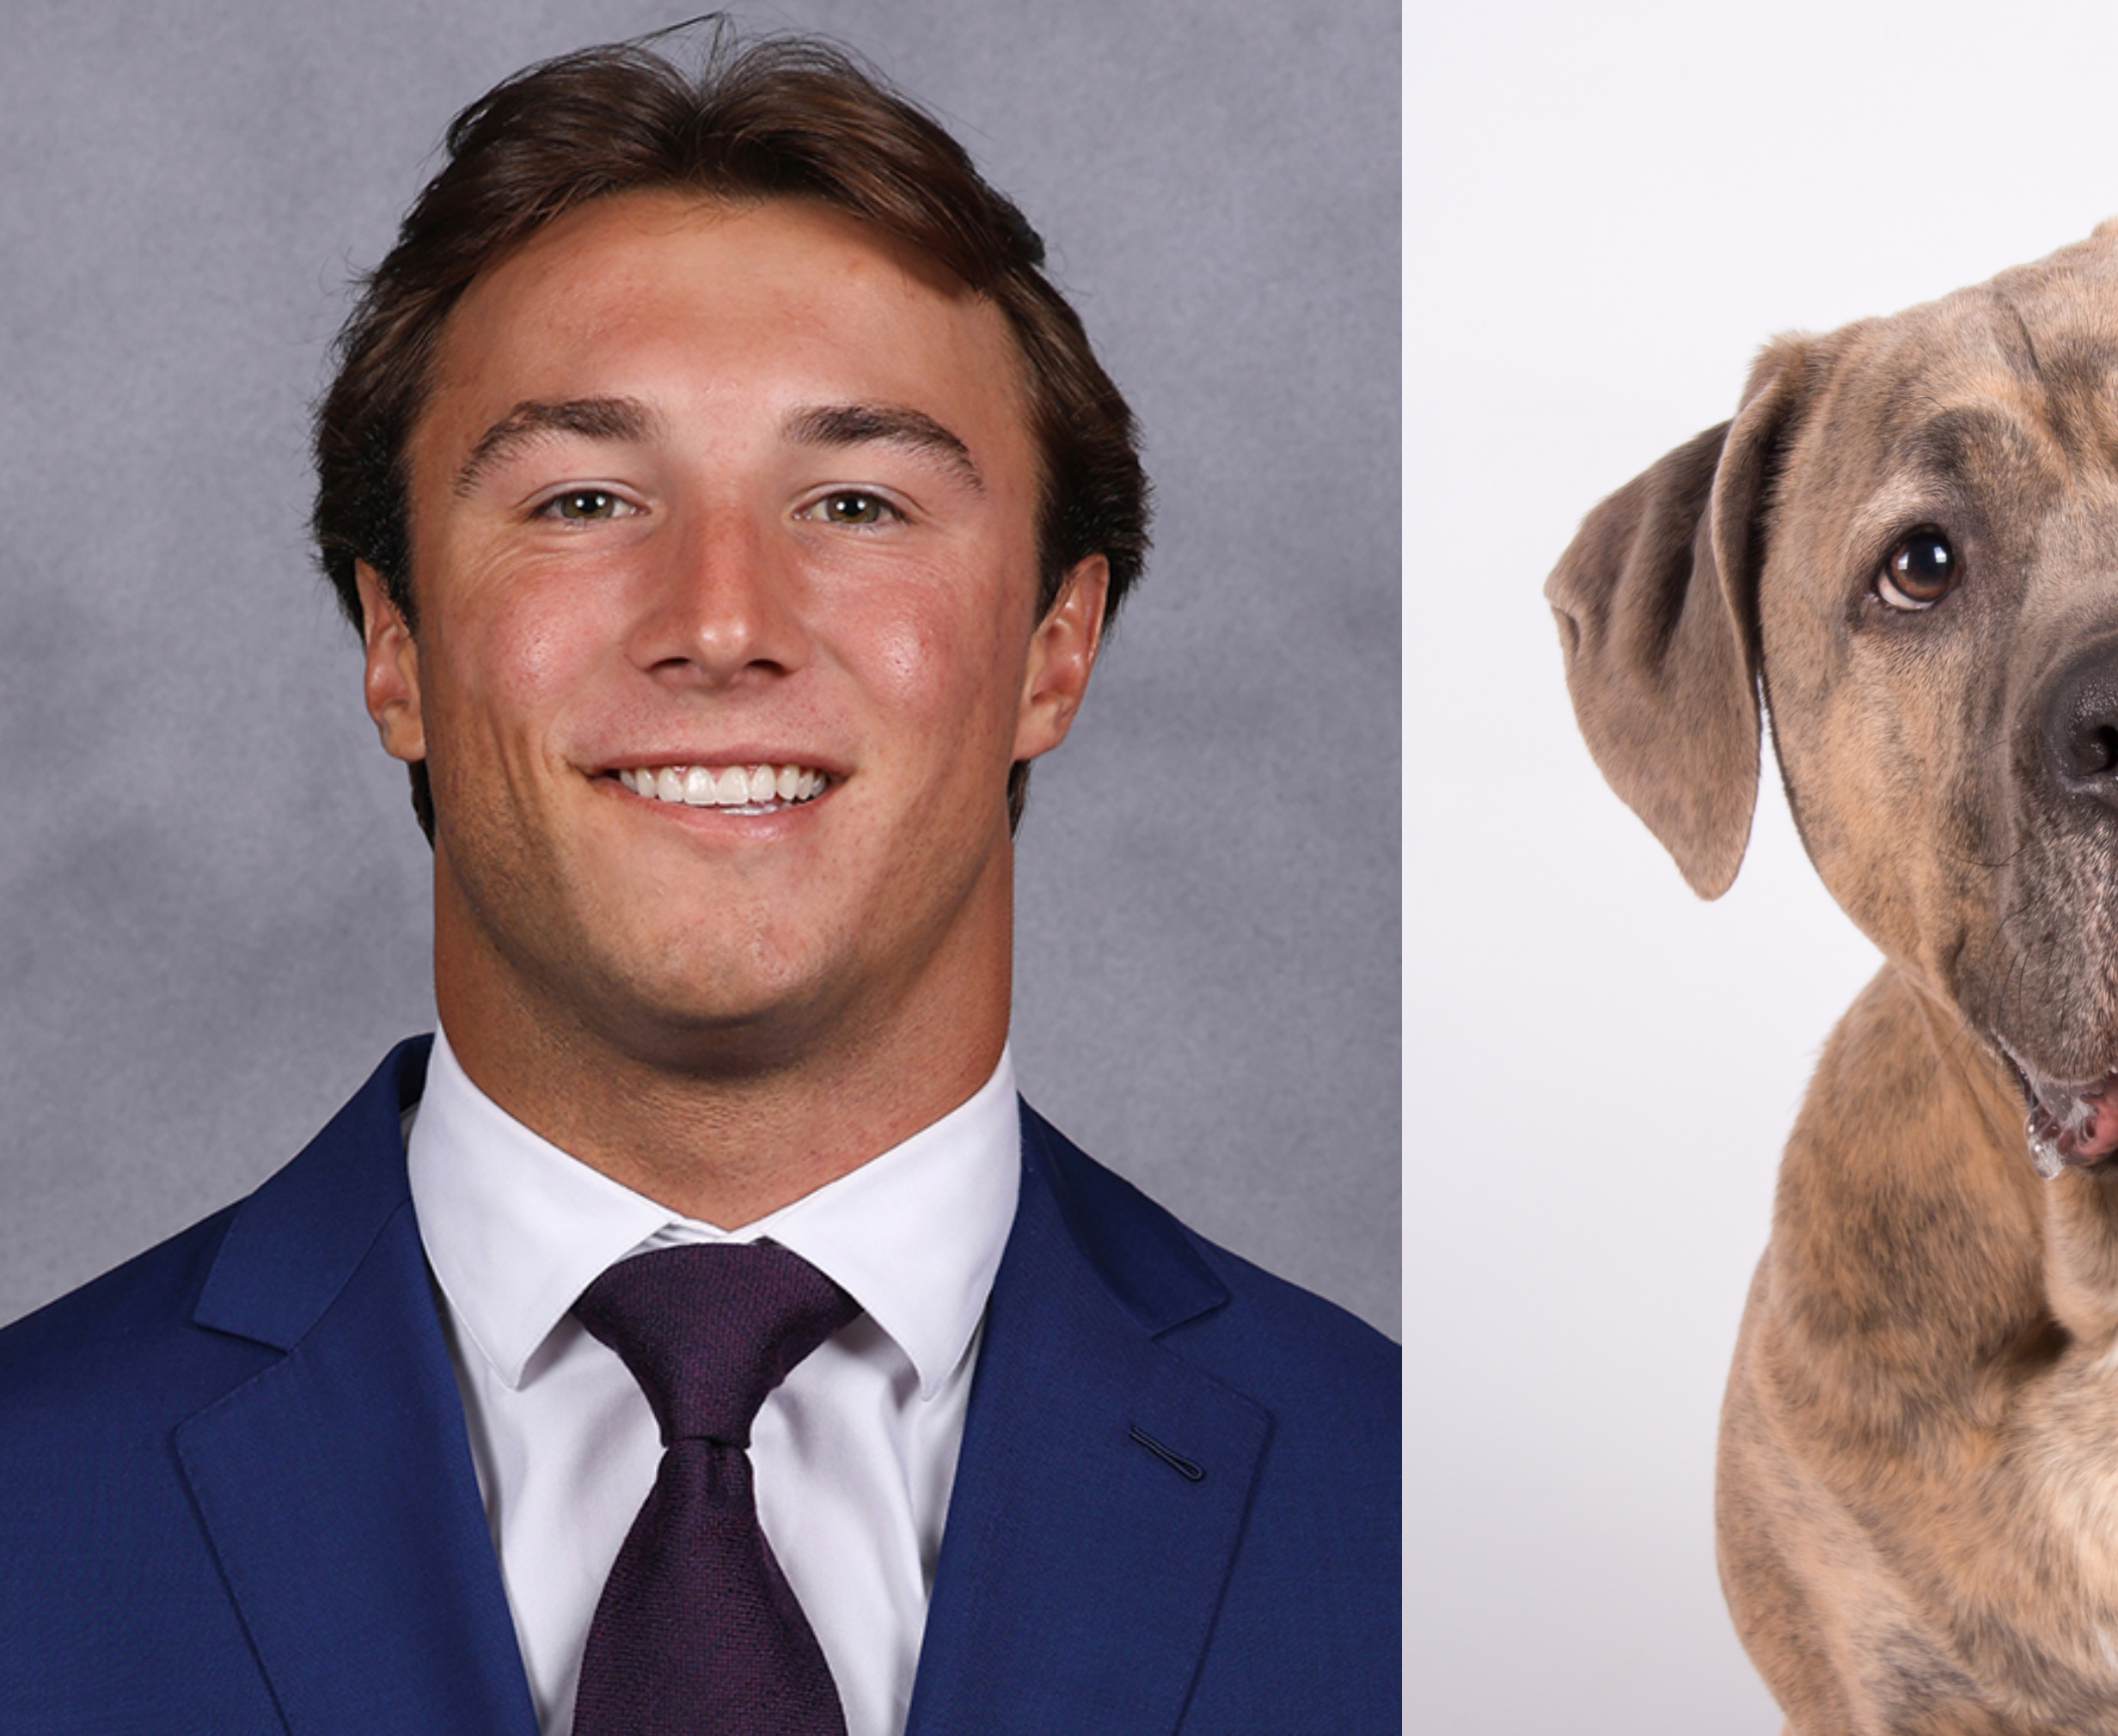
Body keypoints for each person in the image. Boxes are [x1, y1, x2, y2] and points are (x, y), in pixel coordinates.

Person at [0, 31, 1398, 1736]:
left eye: (858, 500)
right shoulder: (28, 1491)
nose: (723, 619)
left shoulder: (1417, 1519)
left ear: (1055, 647)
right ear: (397, 648)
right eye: (585, 495)